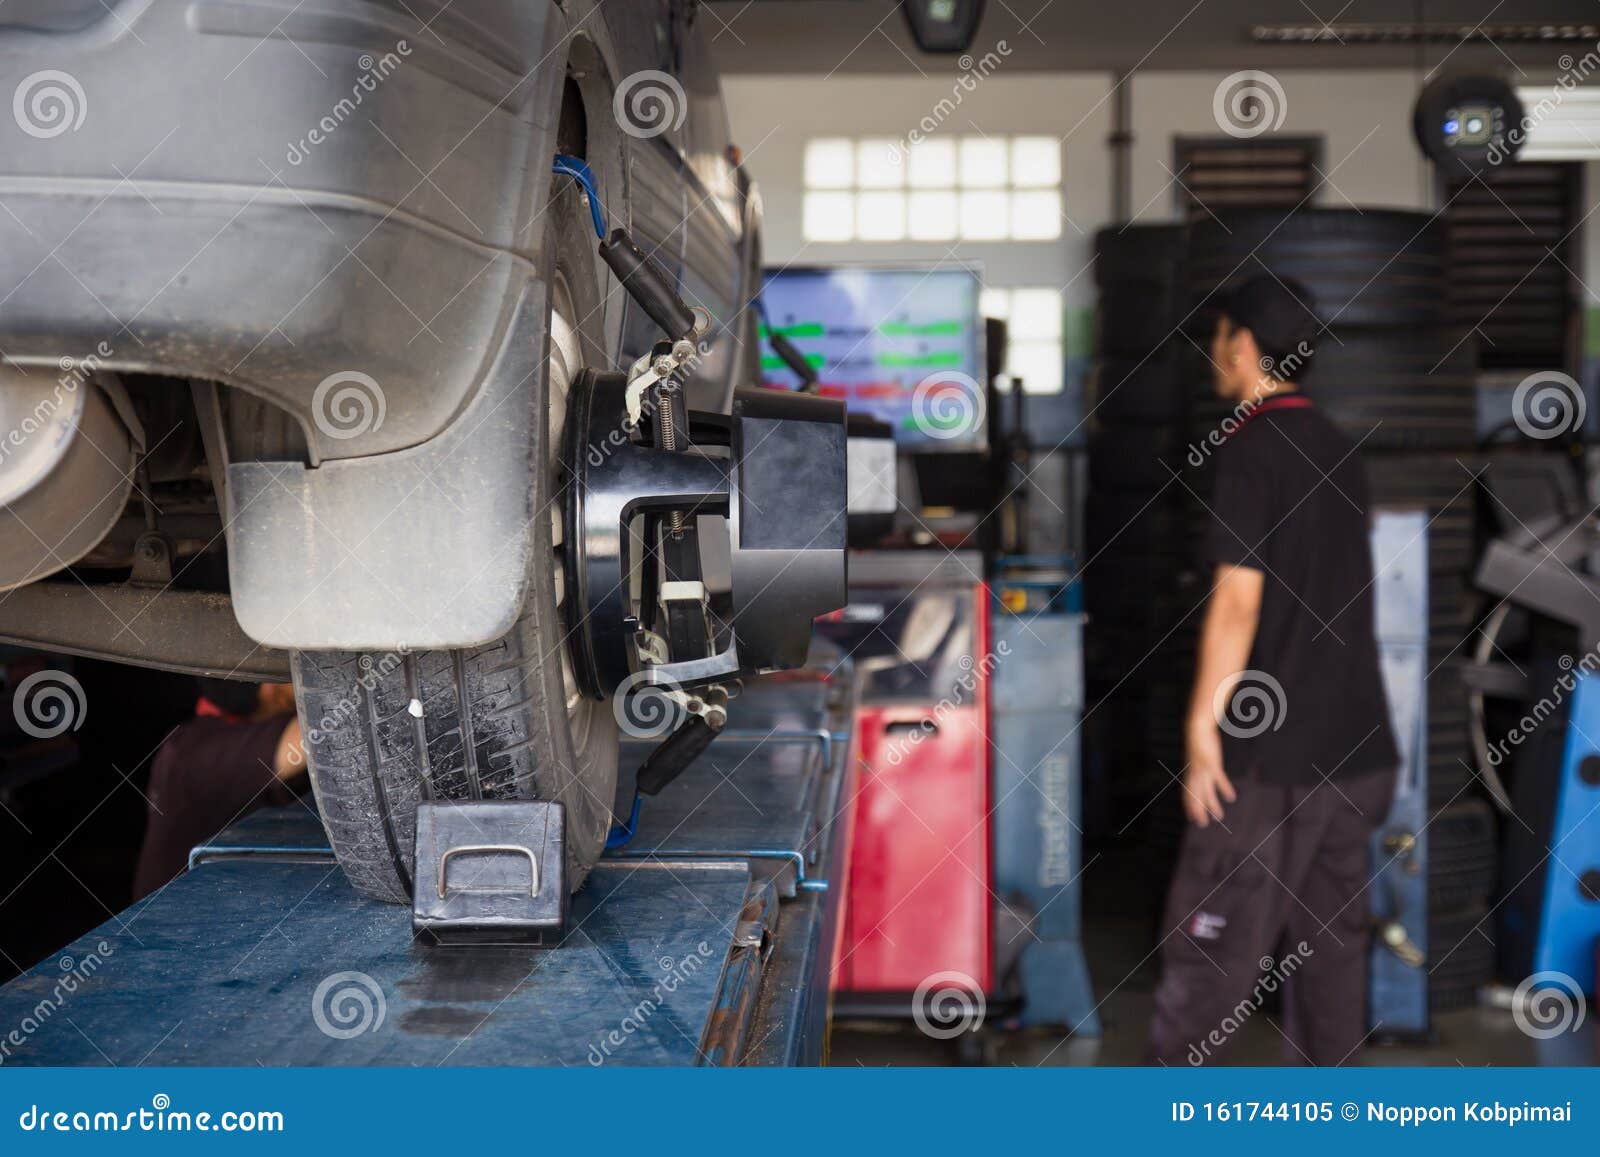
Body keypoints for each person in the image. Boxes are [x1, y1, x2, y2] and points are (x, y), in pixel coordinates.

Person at [1145, 275, 1398, 1067]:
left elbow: (1237, 605)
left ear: (1245, 345)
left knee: (1209, 960)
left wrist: (1202, 726)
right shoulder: (1336, 443)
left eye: (1218, 337)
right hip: (1359, 752)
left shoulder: (1249, 446)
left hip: (1269, 764)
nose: (1211, 353)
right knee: (1331, 961)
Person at [132, 679, 307, 899]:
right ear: (270, 686)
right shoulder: (199, 755)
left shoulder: (192, 740)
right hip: (183, 921)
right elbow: (316, 734)